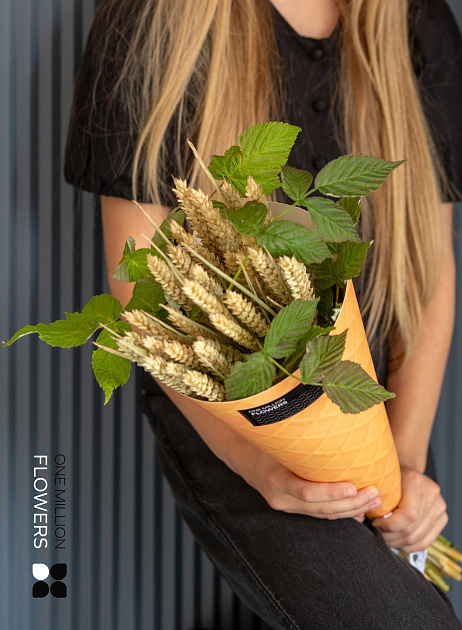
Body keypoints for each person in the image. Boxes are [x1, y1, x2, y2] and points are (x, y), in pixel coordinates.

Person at [65, 0, 462, 626]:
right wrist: (260, 468)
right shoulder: (155, 18)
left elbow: (429, 273)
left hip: (375, 396)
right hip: (231, 402)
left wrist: (405, 465)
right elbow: (143, 294)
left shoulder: (414, 19)